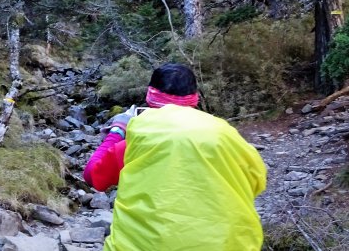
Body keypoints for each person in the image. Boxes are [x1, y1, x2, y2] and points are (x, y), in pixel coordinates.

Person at [83, 63, 267, 251]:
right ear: (194, 97)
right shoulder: (226, 134)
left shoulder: (140, 135)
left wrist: (118, 130)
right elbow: (257, 181)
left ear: (150, 95)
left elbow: (92, 175)